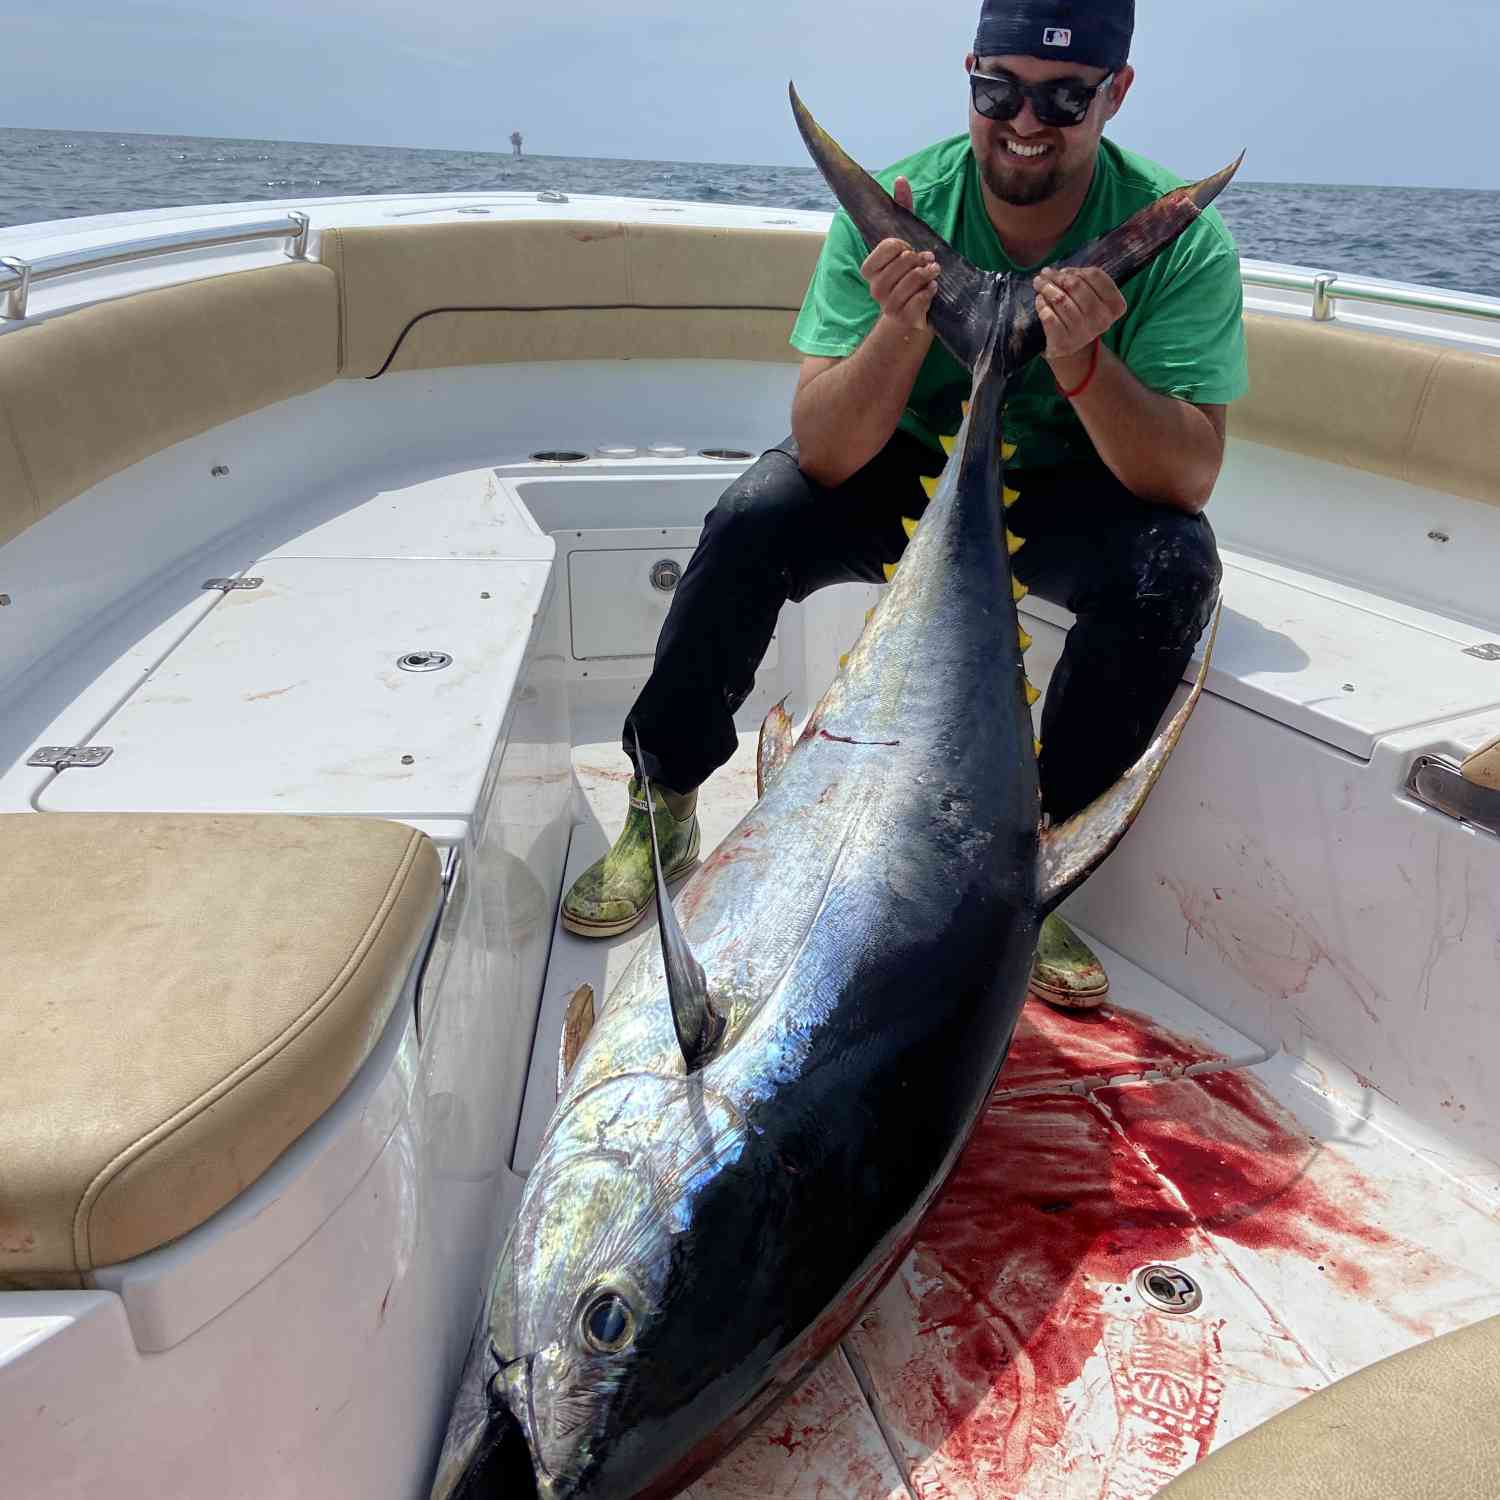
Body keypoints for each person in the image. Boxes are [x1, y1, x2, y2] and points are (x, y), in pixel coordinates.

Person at [562, 0, 1247, 1010]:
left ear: (1116, 93)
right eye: (998, 89)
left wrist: (1084, 359)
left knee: (1173, 568)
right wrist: (903, 328)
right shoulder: (896, 206)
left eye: (1064, 96)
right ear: (968, 73)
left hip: (1070, 493)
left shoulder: (1182, 241)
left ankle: (1031, 861)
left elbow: (1185, 479)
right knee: (756, 517)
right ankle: (662, 803)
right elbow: (830, 451)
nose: (1026, 119)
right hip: (900, 471)